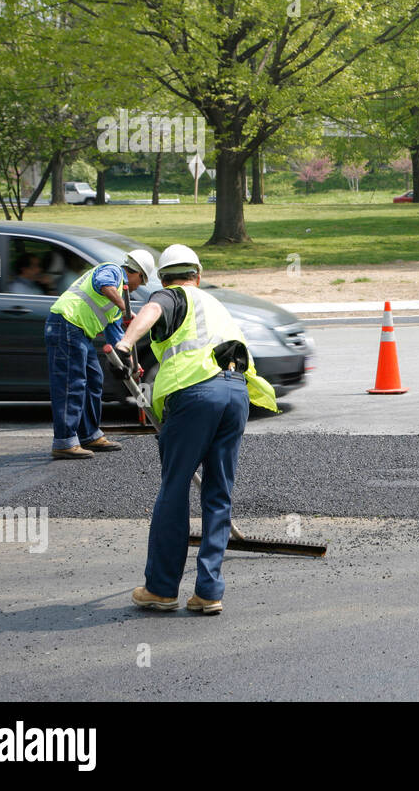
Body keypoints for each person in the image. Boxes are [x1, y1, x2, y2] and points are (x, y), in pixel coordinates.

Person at [112, 244, 278, 615]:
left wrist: (124, 344)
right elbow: (183, 343)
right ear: (198, 274)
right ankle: (208, 592)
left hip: (195, 396)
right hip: (236, 393)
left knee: (175, 488)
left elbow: (154, 311)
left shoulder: (170, 295)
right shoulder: (213, 304)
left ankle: (161, 588)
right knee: (218, 492)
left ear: (164, 279)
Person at [45, 248, 156, 459]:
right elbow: (102, 285)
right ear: (136, 273)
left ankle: (89, 435)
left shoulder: (115, 306)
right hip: (65, 323)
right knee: (72, 383)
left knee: (94, 380)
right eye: (140, 282)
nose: (136, 287)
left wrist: (132, 366)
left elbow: (119, 339)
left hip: (78, 333)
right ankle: (64, 442)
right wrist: (125, 308)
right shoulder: (112, 271)